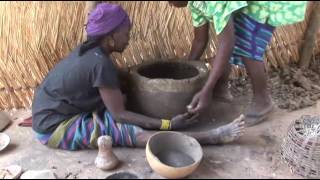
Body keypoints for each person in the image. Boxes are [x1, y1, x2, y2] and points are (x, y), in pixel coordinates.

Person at [32, 2, 245, 151]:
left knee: (124, 101)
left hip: (53, 113)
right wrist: (168, 124)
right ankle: (208, 138)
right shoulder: (99, 63)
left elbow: (114, 79)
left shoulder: (90, 52)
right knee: (128, 132)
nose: (129, 38)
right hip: (54, 128)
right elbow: (119, 115)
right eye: (126, 33)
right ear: (111, 37)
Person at [170, 1, 307, 126]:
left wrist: (207, 89)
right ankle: (221, 90)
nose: (169, 4)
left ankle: (263, 100)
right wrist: (185, 71)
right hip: (247, 6)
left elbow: (227, 44)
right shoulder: (195, 4)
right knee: (230, 40)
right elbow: (200, 40)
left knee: (248, 48)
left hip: (262, 4)